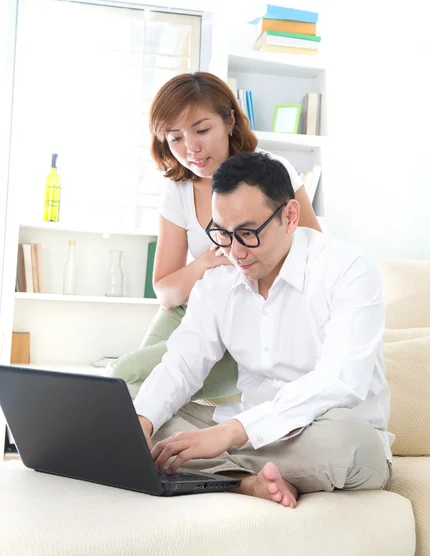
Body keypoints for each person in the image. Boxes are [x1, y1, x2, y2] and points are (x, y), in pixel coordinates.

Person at [134, 151, 392, 508]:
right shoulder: (218, 279)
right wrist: (141, 423)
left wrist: (230, 433)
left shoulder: (349, 270)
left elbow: (341, 380)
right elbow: (182, 363)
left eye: (248, 233)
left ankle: (213, 474)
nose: (235, 251)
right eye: (222, 234)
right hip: (249, 433)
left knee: (345, 439)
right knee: (142, 414)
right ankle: (245, 482)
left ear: (289, 216)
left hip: (323, 432)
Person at [109, 72, 321, 398]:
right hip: (190, 305)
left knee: (128, 375)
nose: (191, 148)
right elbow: (166, 292)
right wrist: (206, 262)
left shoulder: (270, 171)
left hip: (246, 312)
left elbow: (315, 254)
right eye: (175, 137)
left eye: (202, 130)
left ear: (229, 121)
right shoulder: (178, 190)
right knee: (127, 387)